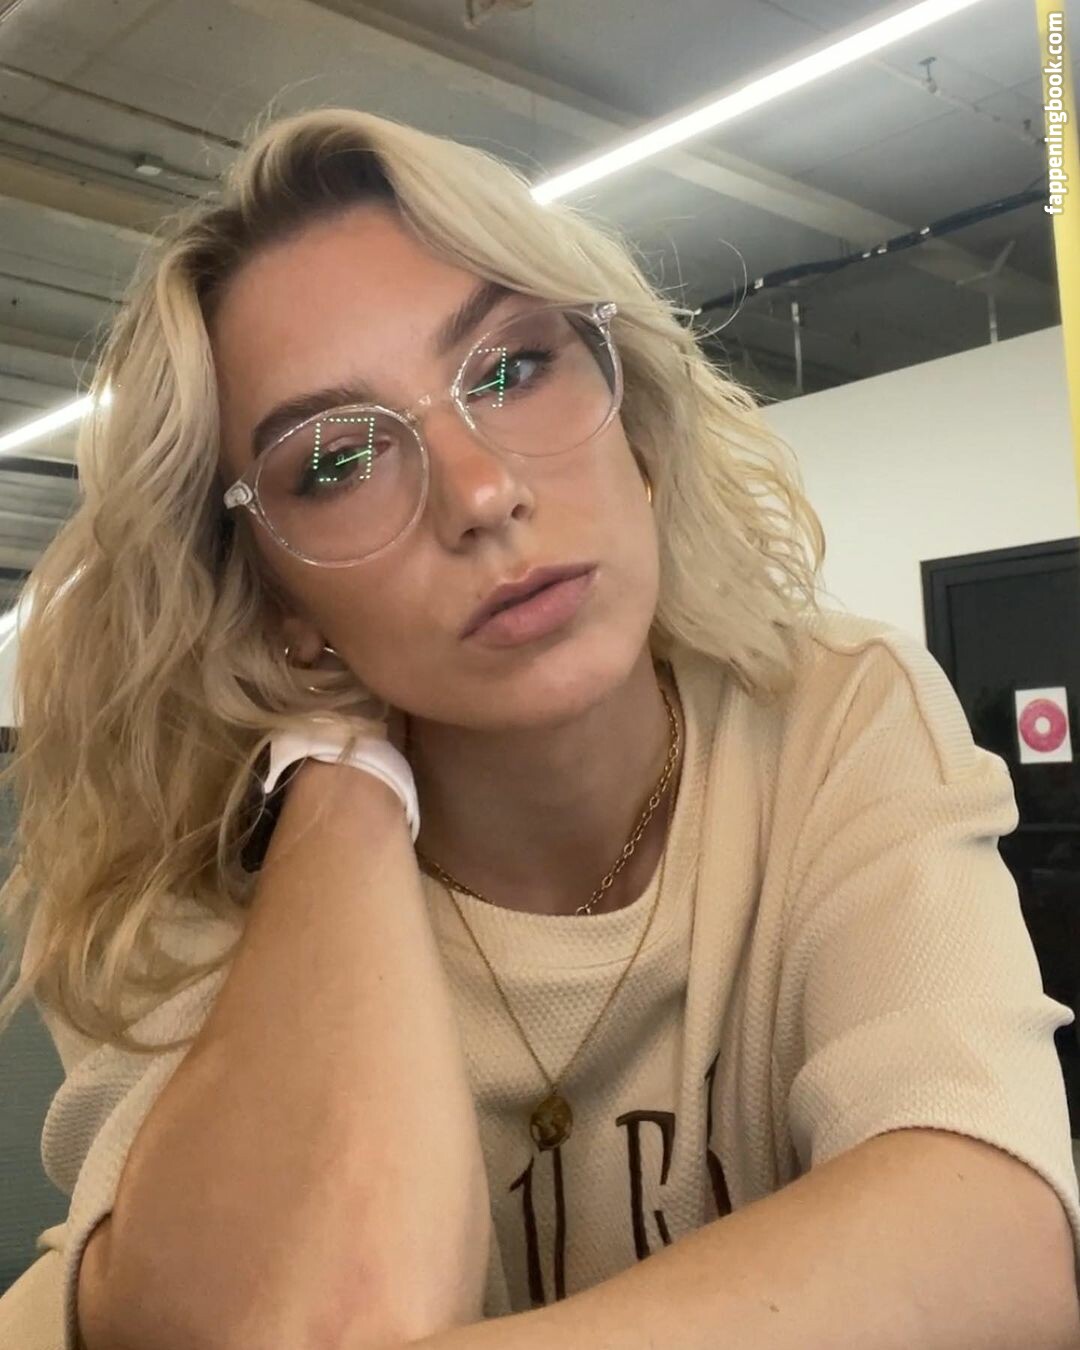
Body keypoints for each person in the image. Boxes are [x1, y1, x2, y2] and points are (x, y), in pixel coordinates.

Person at [0, 106, 1078, 1350]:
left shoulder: (832, 711)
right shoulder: (187, 870)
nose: (480, 491)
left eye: (512, 370)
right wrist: (340, 773)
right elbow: (290, 1313)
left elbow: (995, 1253)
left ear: (635, 423)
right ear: (276, 594)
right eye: (338, 462)